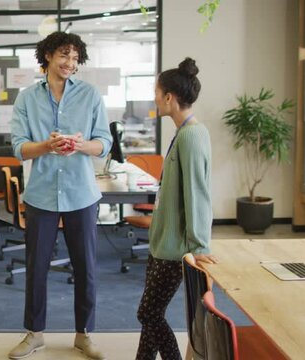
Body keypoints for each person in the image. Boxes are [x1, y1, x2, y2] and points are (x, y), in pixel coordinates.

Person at [8, 32, 111, 360]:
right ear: (49, 56)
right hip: (40, 195)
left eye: (75, 58)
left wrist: (81, 146)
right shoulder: (27, 98)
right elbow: (18, 147)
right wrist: (46, 146)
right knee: (36, 267)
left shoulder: (90, 95)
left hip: (82, 194)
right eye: (64, 56)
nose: (70, 63)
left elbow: (104, 142)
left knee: (86, 268)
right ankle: (34, 334)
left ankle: (84, 334)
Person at [135, 57, 218, 360]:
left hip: (176, 249)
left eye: (156, 92)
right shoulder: (183, 133)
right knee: (151, 313)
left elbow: (198, 193)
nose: (154, 98)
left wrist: (198, 246)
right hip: (162, 243)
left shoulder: (192, 135)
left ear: (169, 97)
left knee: (147, 313)